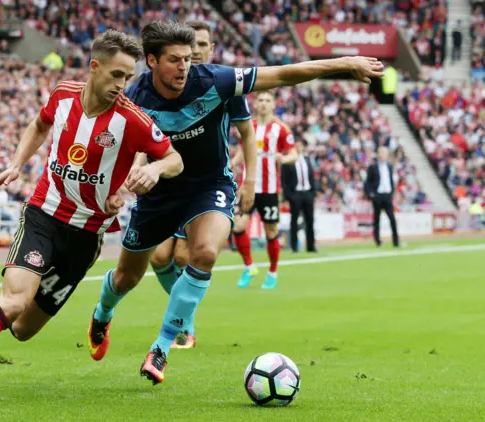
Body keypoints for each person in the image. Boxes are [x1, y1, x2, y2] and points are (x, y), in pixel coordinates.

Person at [86, 20, 384, 385]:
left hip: (210, 186)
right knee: (127, 277)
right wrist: (121, 186)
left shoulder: (216, 80)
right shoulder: (133, 100)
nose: (185, 66)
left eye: (188, 58)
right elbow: (122, 151)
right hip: (160, 194)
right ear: (151, 61)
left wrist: (345, 62)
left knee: (205, 253)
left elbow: (285, 73)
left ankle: (162, 346)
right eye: (175, 60)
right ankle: (102, 313)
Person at [0, 30, 183, 402]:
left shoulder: (132, 119)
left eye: (128, 77)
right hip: (43, 215)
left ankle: (90, 312)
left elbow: (174, 159)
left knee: (23, 329)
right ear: (94, 67)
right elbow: (39, 125)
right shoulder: (63, 95)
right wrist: (15, 165)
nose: (123, 85)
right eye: (116, 75)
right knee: (13, 302)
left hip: (85, 237)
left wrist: (153, 171)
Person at [146, 20, 256, 349]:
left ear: (211, 48)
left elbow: (247, 134)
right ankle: (183, 319)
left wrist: (250, 180)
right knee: (157, 258)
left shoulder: (222, 84)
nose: (196, 52)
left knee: (183, 256)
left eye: (203, 46)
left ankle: (182, 325)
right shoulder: (166, 85)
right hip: (166, 183)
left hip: (205, 186)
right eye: (190, 48)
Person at [232, 91, 297, 289]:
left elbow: (293, 153)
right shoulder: (248, 126)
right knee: (238, 226)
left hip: (269, 189)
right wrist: (233, 163)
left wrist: (283, 159)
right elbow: (243, 151)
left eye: (268, 100)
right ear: (255, 103)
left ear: (274, 104)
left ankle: (272, 272)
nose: (263, 103)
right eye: (260, 100)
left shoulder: (281, 129)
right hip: (248, 187)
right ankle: (249, 266)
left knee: (271, 231)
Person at [281, 139, 316, 253]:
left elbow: (311, 178)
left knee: (310, 220)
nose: (298, 147)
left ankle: (311, 246)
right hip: (295, 194)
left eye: (300, 145)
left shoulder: (307, 160)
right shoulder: (288, 161)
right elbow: (284, 181)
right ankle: (294, 246)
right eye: (296, 145)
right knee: (294, 220)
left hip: (307, 193)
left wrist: (312, 193)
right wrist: (287, 197)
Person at [364, 146, 399, 248]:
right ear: (378, 155)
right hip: (378, 196)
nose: (383, 155)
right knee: (377, 220)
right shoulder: (373, 167)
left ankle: (396, 241)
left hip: (387, 196)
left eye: (384, 153)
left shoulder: (390, 167)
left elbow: (391, 181)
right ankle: (377, 241)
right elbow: (367, 183)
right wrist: (371, 194)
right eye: (381, 153)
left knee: (392, 219)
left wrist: (392, 192)